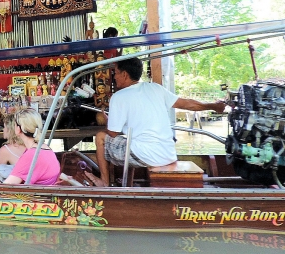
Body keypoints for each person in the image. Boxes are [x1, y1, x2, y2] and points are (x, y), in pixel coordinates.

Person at [90, 57, 227, 187]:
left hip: (144, 155)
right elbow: (187, 104)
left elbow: (112, 133)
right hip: (168, 154)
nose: (114, 77)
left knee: (101, 137)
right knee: (131, 142)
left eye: (116, 73)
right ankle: (129, 185)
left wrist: (109, 121)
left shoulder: (119, 96)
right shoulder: (155, 88)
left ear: (125, 74)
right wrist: (213, 106)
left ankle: (104, 182)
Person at [0, 108, 60, 185]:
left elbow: (7, 187)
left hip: (18, 199)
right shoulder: (43, 147)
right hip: (28, 190)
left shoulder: (31, 154)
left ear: (18, 129)